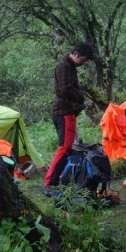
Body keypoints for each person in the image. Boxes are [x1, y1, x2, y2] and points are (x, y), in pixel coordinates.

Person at [43, 42, 94, 187]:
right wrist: (81, 97)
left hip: (67, 111)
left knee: (67, 147)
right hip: (64, 111)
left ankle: (57, 178)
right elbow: (65, 90)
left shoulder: (69, 66)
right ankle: (50, 181)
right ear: (76, 54)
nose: (83, 63)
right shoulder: (64, 66)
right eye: (83, 59)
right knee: (64, 148)